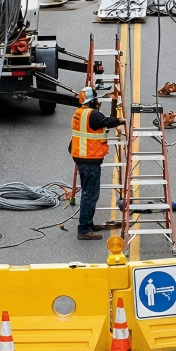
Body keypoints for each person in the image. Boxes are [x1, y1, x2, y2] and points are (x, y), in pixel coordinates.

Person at [69, 89, 124, 240]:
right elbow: (108, 121)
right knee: (90, 195)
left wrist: (113, 103)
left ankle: (88, 224)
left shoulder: (80, 113)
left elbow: (105, 121)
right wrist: (120, 121)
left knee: (88, 193)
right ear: (92, 101)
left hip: (82, 158)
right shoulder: (93, 114)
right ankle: (84, 229)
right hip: (89, 160)